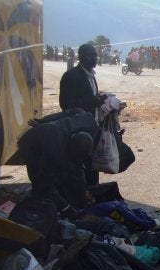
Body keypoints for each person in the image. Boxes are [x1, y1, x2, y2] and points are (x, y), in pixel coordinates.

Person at [18, 124, 94, 219]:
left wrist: (83, 194)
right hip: (31, 145)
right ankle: (37, 210)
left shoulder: (80, 140)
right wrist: (66, 207)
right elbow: (46, 183)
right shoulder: (54, 154)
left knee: (65, 175)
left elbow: (78, 171)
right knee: (40, 183)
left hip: (52, 140)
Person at [59, 43, 107, 186]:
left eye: (95, 55)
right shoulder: (71, 76)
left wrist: (100, 100)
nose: (94, 58)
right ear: (81, 57)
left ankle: (92, 191)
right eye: (91, 55)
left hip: (93, 126)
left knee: (93, 164)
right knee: (82, 165)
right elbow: (66, 104)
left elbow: (91, 98)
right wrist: (93, 101)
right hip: (79, 130)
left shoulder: (91, 76)